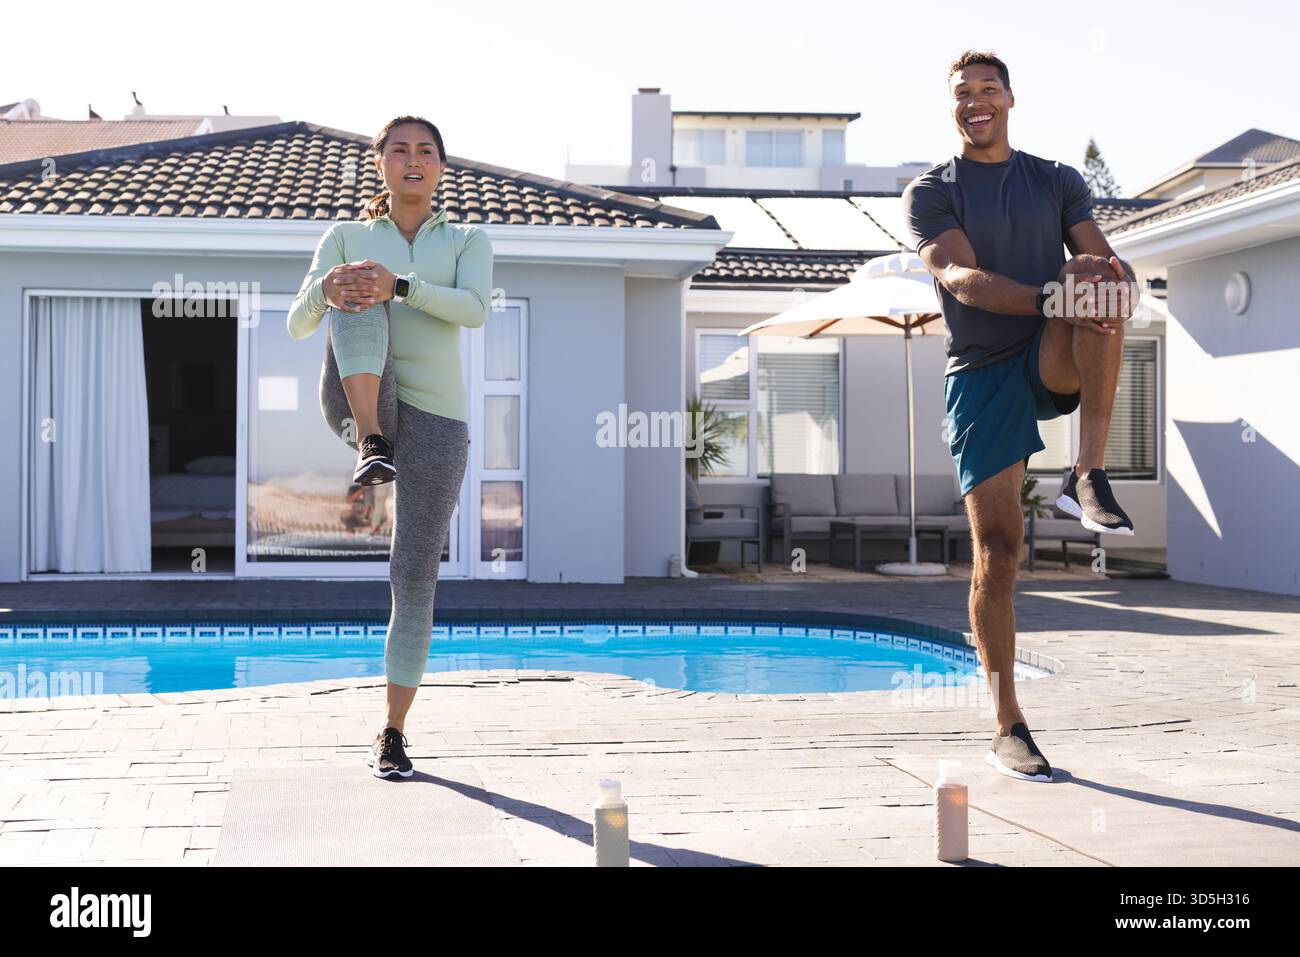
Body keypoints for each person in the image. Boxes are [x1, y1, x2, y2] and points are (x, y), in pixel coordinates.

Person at [903, 51, 1139, 783]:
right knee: (999, 551)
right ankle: (1009, 724)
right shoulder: (931, 192)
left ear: (1010, 97)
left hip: (1046, 352)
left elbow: (1103, 261)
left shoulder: (1057, 180)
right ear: (953, 108)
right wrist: (1051, 294)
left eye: (987, 89)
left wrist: (1110, 278)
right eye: (962, 94)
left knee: (1098, 295)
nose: (975, 102)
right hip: (979, 374)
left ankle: (1087, 471)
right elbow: (960, 277)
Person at [287, 115, 493, 778]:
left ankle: (393, 732)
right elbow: (296, 321)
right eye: (399, 150)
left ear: (439, 167)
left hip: (436, 422)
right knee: (354, 287)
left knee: (413, 578)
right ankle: (371, 442)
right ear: (380, 163)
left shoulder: (466, 238)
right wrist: (331, 286)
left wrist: (400, 285)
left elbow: (475, 309)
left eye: (424, 152)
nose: (412, 160)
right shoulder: (347, 235)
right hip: (356, 404)